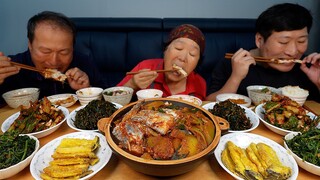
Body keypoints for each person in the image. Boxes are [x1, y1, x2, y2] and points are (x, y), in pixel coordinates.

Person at [206, 3, 320, 102]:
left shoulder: (309, 67)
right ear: (259, 40)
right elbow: (208, 104)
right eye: (283, 42)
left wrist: (318, 82)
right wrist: (236, 77)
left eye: (301, 41)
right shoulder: (233, 62)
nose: (293, 51)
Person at [0, 11, 105, 105]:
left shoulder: (84, 62)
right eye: (46, 51)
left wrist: (87, 91)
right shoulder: (11, 68)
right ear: (30, 45)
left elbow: (108, 103)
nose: (54, 61)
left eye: (64, 52)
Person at [117, 24, 207, 100]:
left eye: (192, 54)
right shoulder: (146, 66)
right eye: (178, 48)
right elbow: (112, 100)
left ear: (197, 62)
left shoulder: (200, 84)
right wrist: (132, 85)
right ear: (165, 50)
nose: (182, 58)